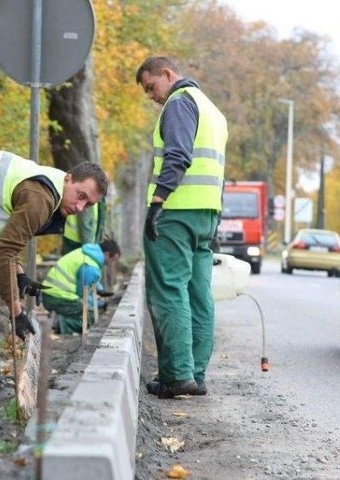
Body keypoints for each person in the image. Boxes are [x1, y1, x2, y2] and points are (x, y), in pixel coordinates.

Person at [0, 146, 109, 399]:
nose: (80, 207)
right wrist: (16, 311)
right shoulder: (40, 199)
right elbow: (2, 253)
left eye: (88, 204)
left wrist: (19, 274)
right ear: (68, 179)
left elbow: (8, 241)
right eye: (80, 195)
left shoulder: (48, 184)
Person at [136, 56, 228, 398]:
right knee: (198, 293)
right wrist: (215, 218)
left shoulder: (179, 103)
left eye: (151, 86)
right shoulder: (212, 111)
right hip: (205, 214)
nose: (150, 95)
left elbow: (178, 154)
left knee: (169, 288)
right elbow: (219, 172)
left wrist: (158, 201)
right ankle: (195, 374)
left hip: (176, 211)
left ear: (167, 74)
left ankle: (176, 374)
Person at [42, 238, 121, 334]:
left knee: (88, 310)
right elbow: (83, 295)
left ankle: (58, 315)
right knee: (90, 316)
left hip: (50, 294)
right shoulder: (91, 267)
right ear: (107, 254)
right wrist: (101, 304)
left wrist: (100, 290)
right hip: (58, 297)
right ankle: (59, 323)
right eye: (112, 260)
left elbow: (89, 282)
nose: (109, 264)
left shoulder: (87, 254)